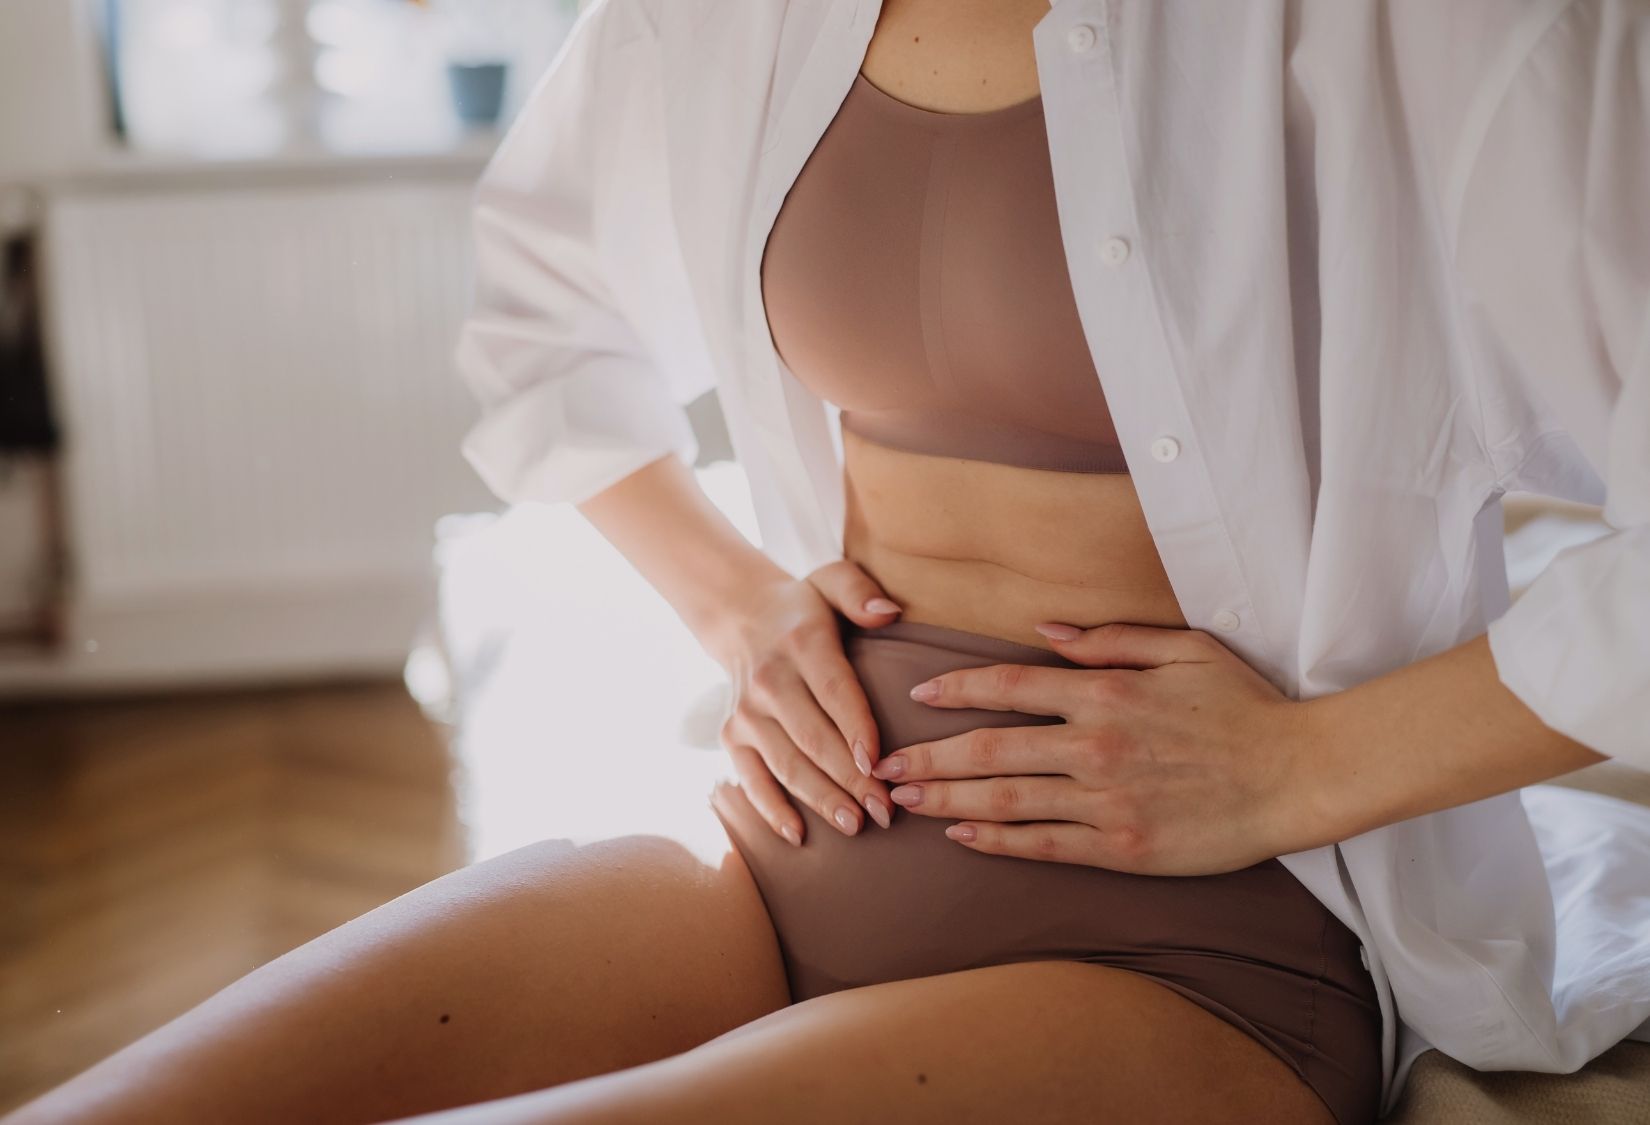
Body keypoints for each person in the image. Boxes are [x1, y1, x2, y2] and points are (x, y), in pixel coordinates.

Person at [10, 1, 1650, 1123]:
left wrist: (1298, 769)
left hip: (1203, 942)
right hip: (784, 846)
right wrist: (737, 603)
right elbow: (543, 323)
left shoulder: (1431, 31)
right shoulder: (734, 16)